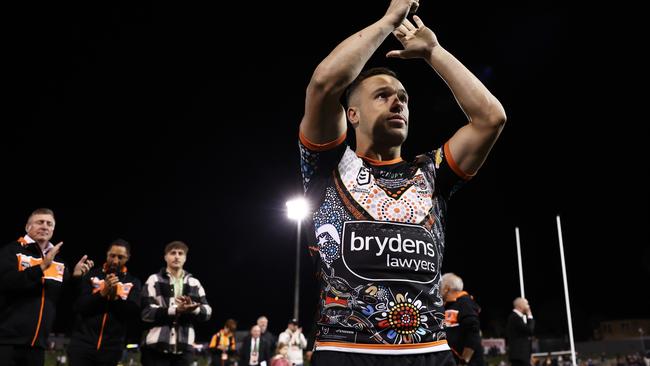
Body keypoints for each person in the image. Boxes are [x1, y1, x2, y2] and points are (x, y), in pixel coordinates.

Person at [297, 0, 506, 363]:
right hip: (346, 351)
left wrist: (434, 53)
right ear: (353, 114)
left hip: (430, 353)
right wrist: (388, 21)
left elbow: (491, 118)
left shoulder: (432, 172)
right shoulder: (328, 165)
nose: (398, 102)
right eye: (383, 95)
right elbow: (324, 83)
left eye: (404, 98)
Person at [0, 208, 94, 366]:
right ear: (27, 227)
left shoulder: (59, 263)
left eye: (49, 224)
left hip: (38, 345)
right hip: (6, 342)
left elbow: (67, 300)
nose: (45, 226)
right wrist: (41, 267)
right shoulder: (10, 251)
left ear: (53, 229)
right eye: (40, 222)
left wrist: (76, 278)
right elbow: (6, 282)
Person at [67, 238, 142, 366]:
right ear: (107, 254)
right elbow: (79, 306)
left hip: (112, 348)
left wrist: (114, 298)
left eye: (121, 257)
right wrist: (102, 294)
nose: (115, 261)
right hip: (82, 345)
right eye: (112, 256)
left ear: (128, 257)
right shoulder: (91, 276)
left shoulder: (133, 282)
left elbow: (132, 314)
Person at [140, 241, 212, 366]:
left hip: (185, 350)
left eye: (180, 253)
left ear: (185, 258)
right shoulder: (154, 279)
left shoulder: (194, 283)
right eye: (173, 253)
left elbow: (207, 312)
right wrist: (176, 310)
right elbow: (146, 312)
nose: (177, 256)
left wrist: (193, 309)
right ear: (165, 257)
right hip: (155, 349)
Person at [441, 273, 484, 366]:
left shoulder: (465, 302)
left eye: (440, 285)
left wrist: (464, 360)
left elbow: (473, 330)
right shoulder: (450, 305)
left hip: (469, 362)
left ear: (446, 288)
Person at [506, 297, 535, 366]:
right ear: (521, 305)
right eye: (527, 304)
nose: (528, 306)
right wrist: (530, 315)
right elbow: (530, 330)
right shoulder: (515, 317)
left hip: (520, 355)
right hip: (519, 356)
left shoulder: (515, 317)